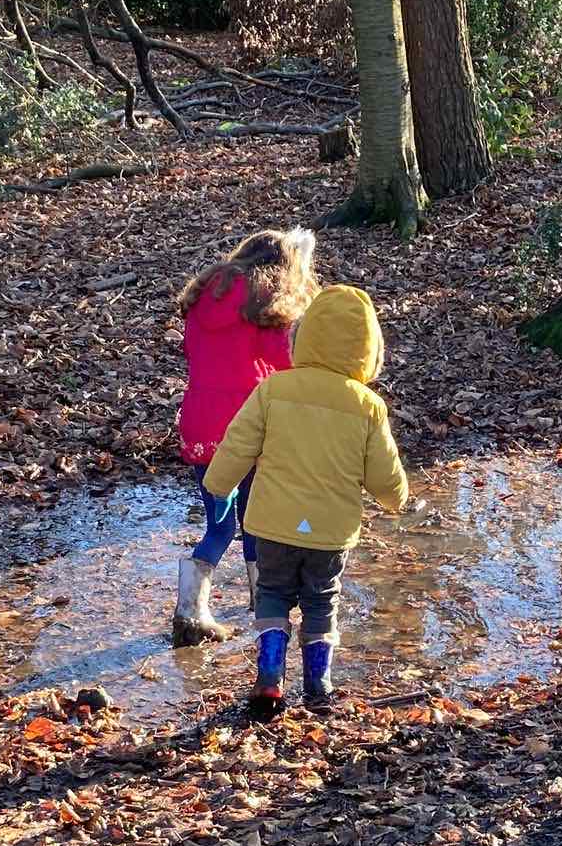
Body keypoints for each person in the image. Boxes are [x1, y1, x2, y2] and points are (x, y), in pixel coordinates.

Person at [202, 282, 408, 718]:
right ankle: (318, 684)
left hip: (271, 523)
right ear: (368, 350)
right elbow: (383, 475)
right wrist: (396, 498)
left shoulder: (275, 389)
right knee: (321, 599)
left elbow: (239, 445)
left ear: (304, 336)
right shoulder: (368, 406)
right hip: (331, 533)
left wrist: (219, 484)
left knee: (272, 593)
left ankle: (271, 677)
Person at [172, 228, 319, 644]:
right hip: (248, 424)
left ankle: (194, 609)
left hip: (200, 420)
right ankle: (254, 602)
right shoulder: (265, 297)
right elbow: (284, 359)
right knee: (255, 519)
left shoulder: (206, 293)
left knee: (219, 523)